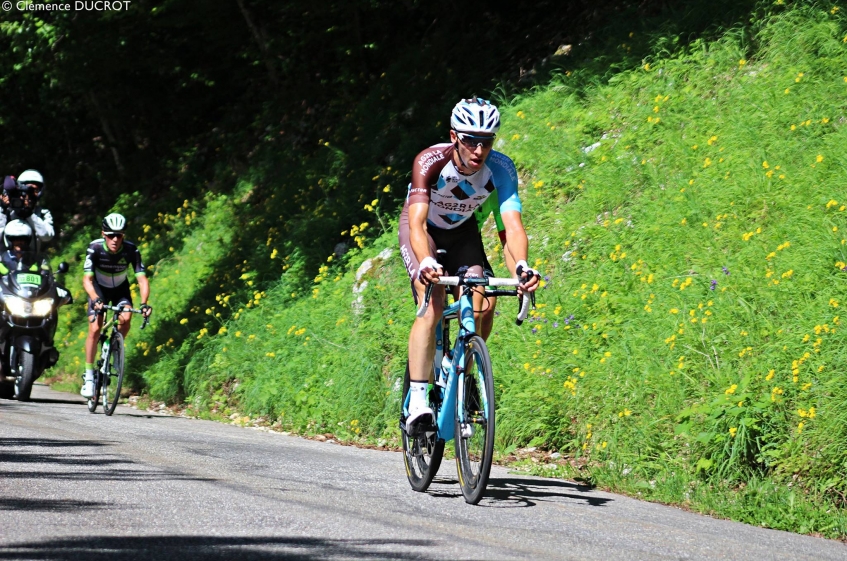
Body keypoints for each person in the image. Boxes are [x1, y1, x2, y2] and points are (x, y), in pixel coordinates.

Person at [398, 98, 540, 431]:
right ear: (454, 136)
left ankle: (461, 370)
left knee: (485, 300)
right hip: (423, 231)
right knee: (431, 303)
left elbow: (512, 228)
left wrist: (521, 265)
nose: (479, 149)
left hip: (463, 234)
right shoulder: (430, 161)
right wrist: (427, 261)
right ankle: (418, 401)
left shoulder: (501, 170)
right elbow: (417, 224)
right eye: (471, 140)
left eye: (486, 141)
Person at [80, 213, 152, 398]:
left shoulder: (130, 250)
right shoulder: (94, 248)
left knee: (127, 316)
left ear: (123, 236)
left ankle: (115, 348)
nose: (114, 239)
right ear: (103, 233)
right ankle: (88, 377)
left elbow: (142, 280)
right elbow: (87, 280)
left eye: (118, 235)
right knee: (95, 329)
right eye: (111, 234)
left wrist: (144, 304)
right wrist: (95, 298)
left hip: (120, 289)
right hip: (99, 289)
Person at [474, 191, 518, 340]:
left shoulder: (497, 187)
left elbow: (508, 238)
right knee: (434, 307)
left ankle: (472, 358)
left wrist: (518, 276)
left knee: (487, 306)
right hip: (434, 236)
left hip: (470, 241)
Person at [0, 175, 53, 254]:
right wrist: (3, 209)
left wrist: (29, 214)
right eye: (26, 189)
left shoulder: (43, 213)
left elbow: (46, 236)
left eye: (34, 190)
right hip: (6, 263)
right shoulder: (7, 212)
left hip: (33, 263)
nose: (29, 194)